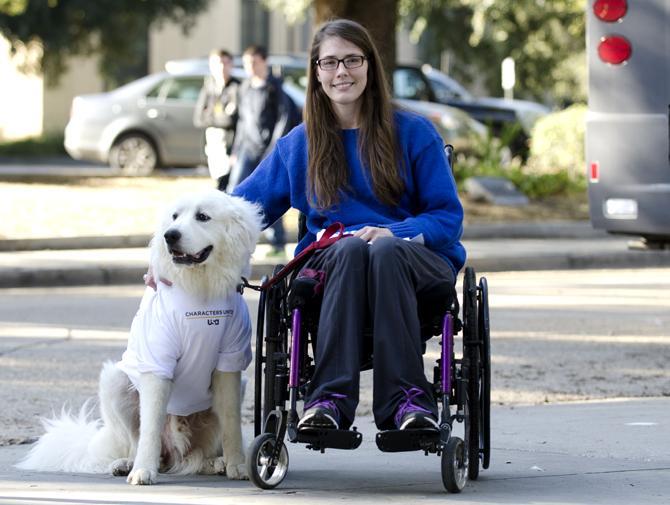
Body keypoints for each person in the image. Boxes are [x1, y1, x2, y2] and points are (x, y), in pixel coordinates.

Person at [235, 18, 466, 433]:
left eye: (352, 60)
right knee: (351, 247)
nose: (342, 71)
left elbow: (447, 217)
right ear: (317, 73)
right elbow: (238, 212)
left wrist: (394, 233)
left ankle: (409, 402)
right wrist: (176, 253)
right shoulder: (300, 144)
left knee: (383, 249)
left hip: (414, 265)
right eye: (330, 62)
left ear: (369, 66)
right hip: (333, 267)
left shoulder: (413, 133)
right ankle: (327, 400)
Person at [227, 45, 296, 257]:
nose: (250, 67)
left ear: (264, 62)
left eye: (254, 62)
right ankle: (231, 242)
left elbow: (284, 120)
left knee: (272, 193)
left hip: (269, 150)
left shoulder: (275, 88)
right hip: (247, 149)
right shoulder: (245, 88)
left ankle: (277, 243)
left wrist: (275, 150)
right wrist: (236, 149)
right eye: (247, 63)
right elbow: (242, 122)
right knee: (234, 193)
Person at [193, 49, 240, 191]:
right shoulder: (209, 87)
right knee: (217, 177)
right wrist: (221, 117)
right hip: (213, 142)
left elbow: (233, 120)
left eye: (226, 63)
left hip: (230, 142)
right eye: (218, 63)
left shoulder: (236, 87)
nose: (222, 67)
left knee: (228, 181)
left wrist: (212, 116)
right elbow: (199, 118)